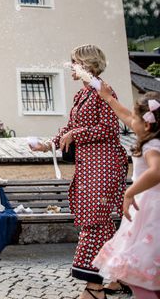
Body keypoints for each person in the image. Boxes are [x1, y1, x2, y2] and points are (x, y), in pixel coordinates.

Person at [30, 45, 128, 299]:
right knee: (101, 222)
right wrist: (48, 144)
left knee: (94, 223)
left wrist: (77, 134)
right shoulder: (81, 95)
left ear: (87, 65)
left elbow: (109, 129)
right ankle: (118, 277)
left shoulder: (102, 92)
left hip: (104, 165)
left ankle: (94, 289)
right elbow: (70, 127)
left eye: (74, 62)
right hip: (90, 165)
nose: (70, 66)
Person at [92, 89, 160, 299]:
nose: (130, 122)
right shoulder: (151, 135)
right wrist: (108, 97)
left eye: (135, 118)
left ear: (147, 124)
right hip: (147, 208)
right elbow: (124, 114)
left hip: (149, 211)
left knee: (140, 269)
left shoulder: (151, 144)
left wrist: (130, 193)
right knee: (146, 272)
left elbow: (157, 171)